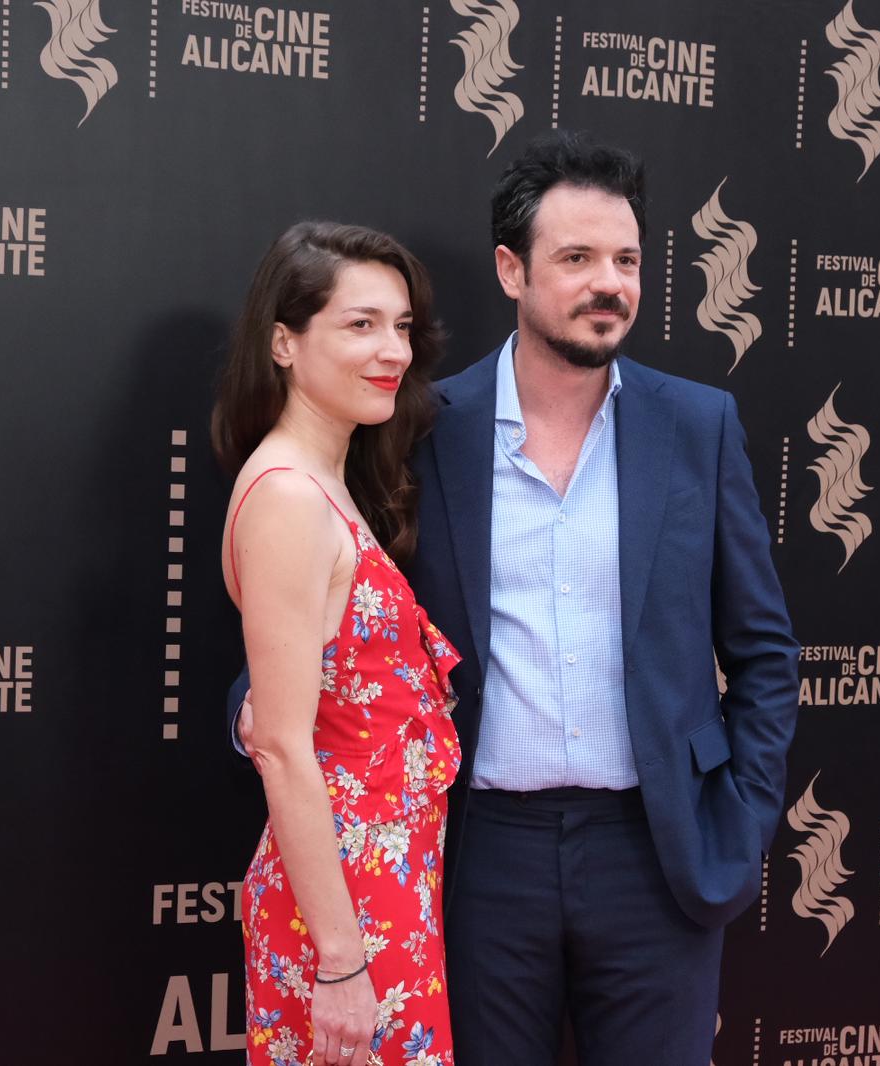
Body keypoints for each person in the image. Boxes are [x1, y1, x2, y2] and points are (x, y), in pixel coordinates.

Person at [237, 132, 799, 1066]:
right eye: (576, 259)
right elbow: (329, 612)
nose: (607, 283)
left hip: (657, 856)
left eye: (625, 259)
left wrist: (735, 827)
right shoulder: (421, 430)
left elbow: (765, 653)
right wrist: (261, 717)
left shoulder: (698, 425)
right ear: (511, 268)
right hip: (479, 856)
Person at [215, 221, 461, 1066]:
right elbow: (282, 747)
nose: (391, 349)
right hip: (344, 911)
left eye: (400, 326)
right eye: (360, 325)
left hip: (384, 889)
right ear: (284, 343)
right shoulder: (288, 497)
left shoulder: (328, 482)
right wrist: (342, 962)